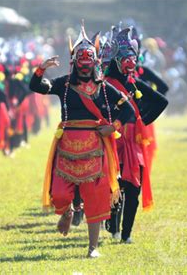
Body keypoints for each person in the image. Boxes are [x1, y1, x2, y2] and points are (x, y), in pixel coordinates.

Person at [30, 24, 134, 258]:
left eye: (89, 59)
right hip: (66, 146)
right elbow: (36, 87)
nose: (85, 64)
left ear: (95, 62)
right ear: (75, 61)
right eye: (81, 59)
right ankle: (66, 212)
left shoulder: (103, 88)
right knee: (59, 193)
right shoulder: (63, 85)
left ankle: (93, 247)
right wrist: (41, 69)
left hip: (95, 148)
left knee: (96, 198)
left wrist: (113, 126)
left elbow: (127, 109)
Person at [105, 27, 168, 243]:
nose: (129, 63)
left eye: (132, 58)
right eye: (125, 58)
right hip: (110, 143)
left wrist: (141, 118)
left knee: (133, 188)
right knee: (113, 186)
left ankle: (127, 234)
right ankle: (112, 225)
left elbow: (162, 100)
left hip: (132, 144)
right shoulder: (104, 84)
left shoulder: (134, 84)